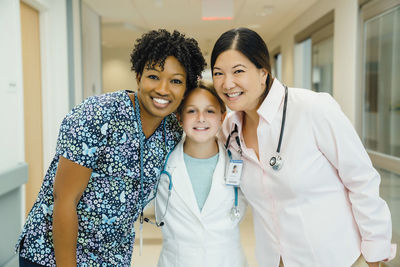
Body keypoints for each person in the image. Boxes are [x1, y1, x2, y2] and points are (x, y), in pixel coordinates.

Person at [16, 29, 206, 267]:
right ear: (138, 77)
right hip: (52, 254)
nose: (163, 89)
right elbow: (64, 199)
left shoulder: (173, 131)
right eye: (153, 76)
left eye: (176, 81)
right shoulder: (98, 114)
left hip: (111, 257)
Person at [211, 27, 396, 267]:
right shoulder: (228, 130)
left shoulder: (313, 109)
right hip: (275, 260)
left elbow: (361, 180)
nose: (227, 83)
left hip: (338, 259)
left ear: (262, 73)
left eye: (238, 71)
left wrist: (375, 253)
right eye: (218, 73)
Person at [154, 80, 247, 267]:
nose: (201, 118)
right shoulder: (161, 165)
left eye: (210, 111)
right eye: (191, 111)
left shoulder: (240, 161)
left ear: (222, 117)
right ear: (179, 117)